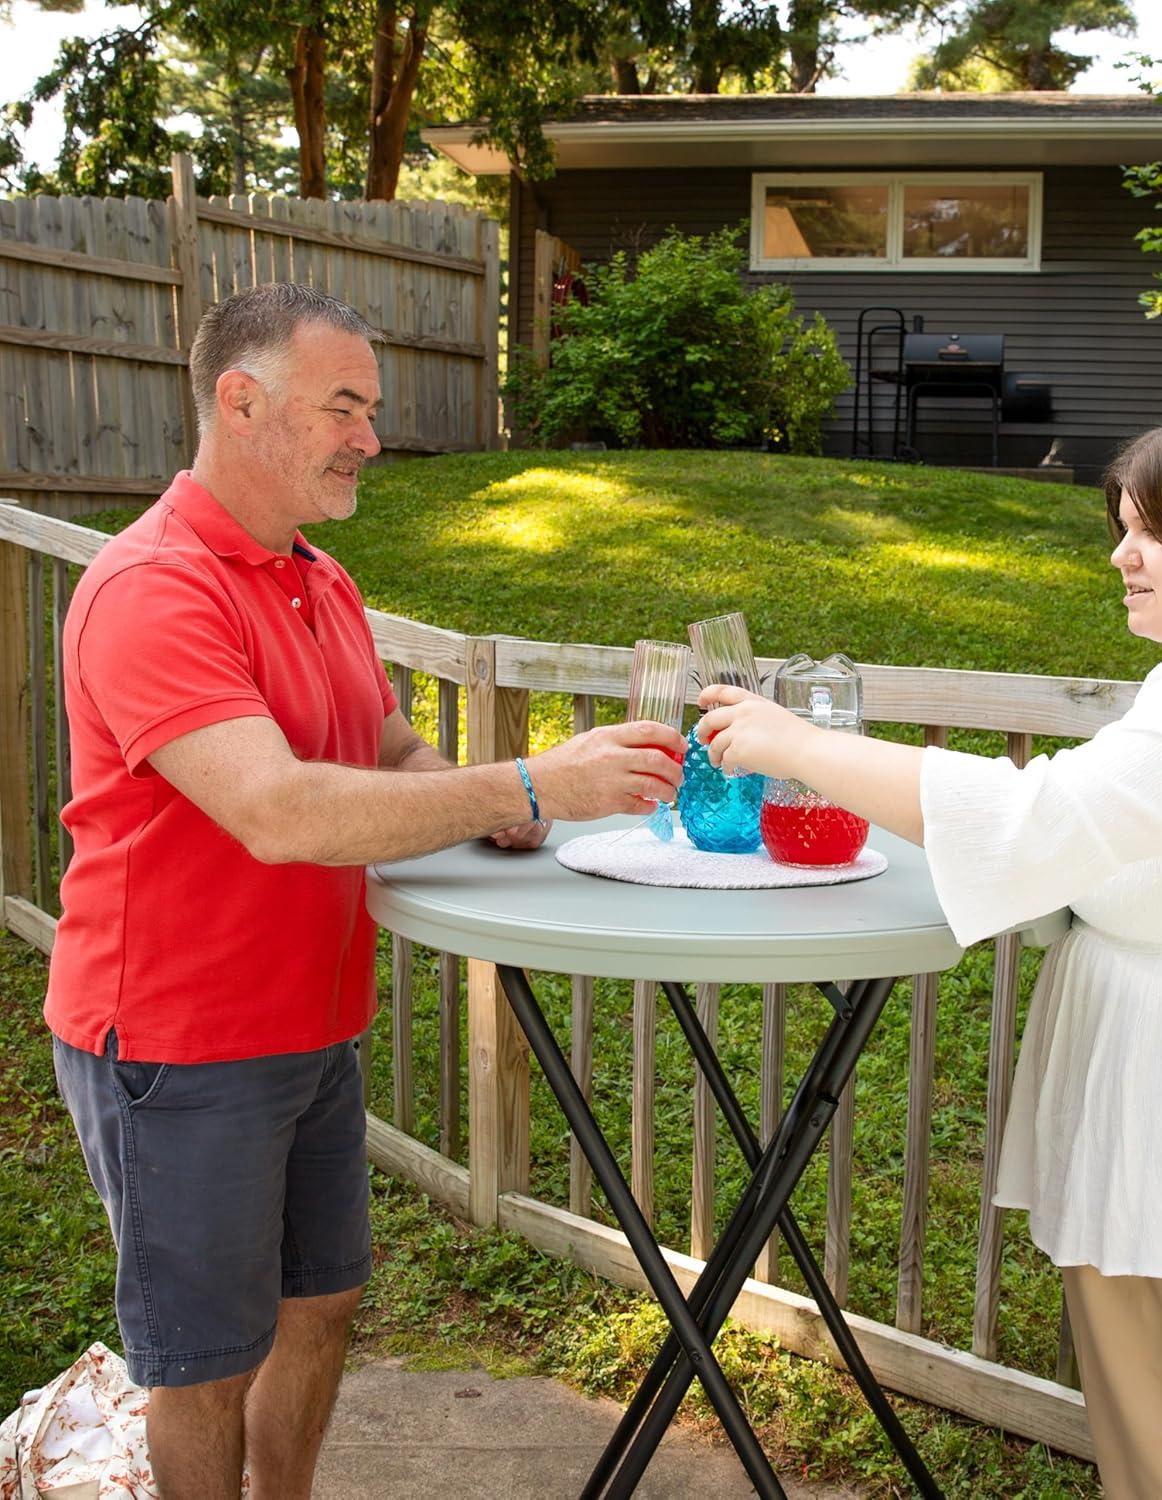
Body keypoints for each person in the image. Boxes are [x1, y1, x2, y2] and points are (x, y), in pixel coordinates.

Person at [45, 282, 685, 1500]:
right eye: (344, 406)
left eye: (371, 409)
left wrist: (483, 797)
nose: (372, 439)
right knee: (202, 1365)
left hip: (312, 1024)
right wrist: (528, 779)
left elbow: (385, 750)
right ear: (241, 402)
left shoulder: (318, 581)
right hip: (178, 1044)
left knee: (321, 1307)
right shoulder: (152, 590)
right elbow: (279, 810)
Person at [698, 410, 1162, 1499]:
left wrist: (801, 747)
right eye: (1121, 527)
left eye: (1148, 532)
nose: (1120, 555)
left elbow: (1032, 821)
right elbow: (1109, 848)